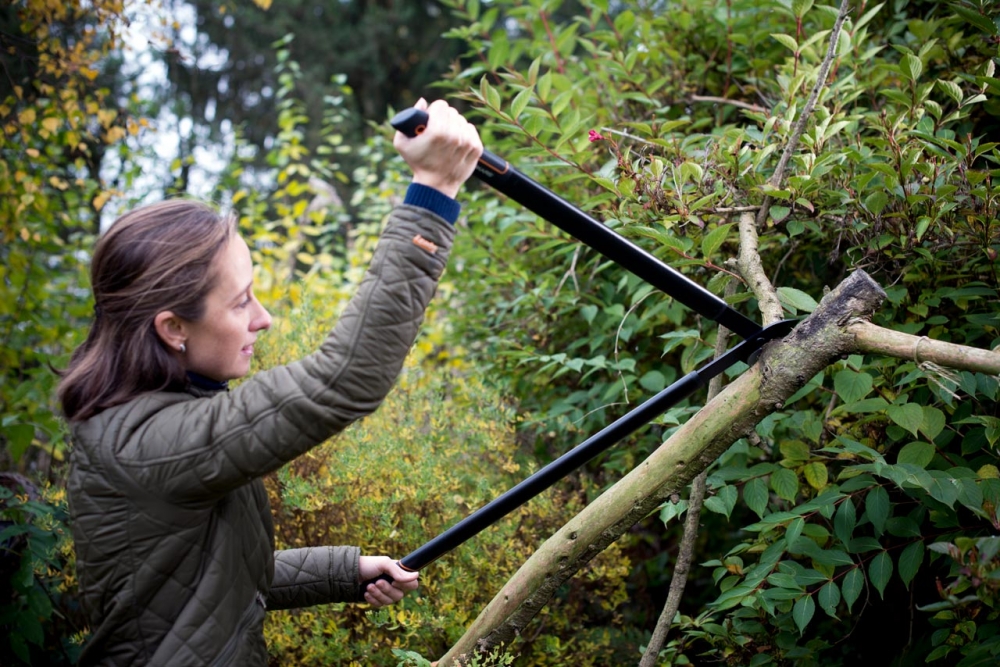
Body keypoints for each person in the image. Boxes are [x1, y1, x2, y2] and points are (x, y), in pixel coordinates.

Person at [58, 99, 483, 666]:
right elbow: (346, 379)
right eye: (241, 302)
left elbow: (202, 581)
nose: (264, 318)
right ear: (173, 328)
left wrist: (344, 571)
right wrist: (433, 192)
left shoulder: (153, 412)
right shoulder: (148, 444)